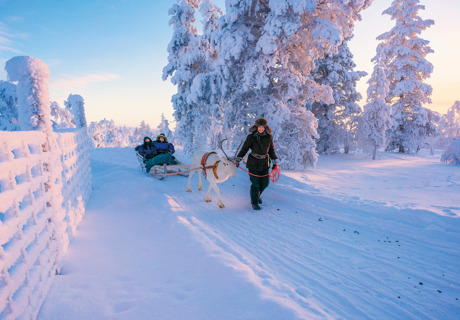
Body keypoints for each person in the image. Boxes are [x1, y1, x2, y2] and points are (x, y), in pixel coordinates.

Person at [236, 118, 278, 210]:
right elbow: (244, 149)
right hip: (253, 163)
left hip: (264, 163)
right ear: (256, 127)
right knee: (256, 184)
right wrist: (238, 159)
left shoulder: (269, 137)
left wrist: (274, 161)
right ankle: (254, 202)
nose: (261, 129)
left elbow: (271, 150)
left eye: (262, 127)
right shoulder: (251, 137)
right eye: (259, 127)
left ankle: (257, 195)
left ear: (265, 127)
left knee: (265, 183)